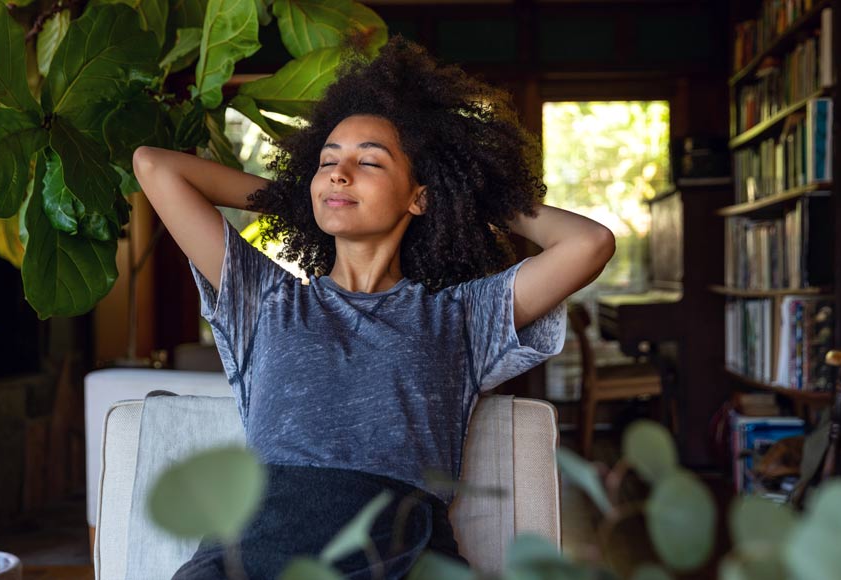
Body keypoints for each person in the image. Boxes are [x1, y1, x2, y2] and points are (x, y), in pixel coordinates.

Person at [133, 35, 614, 580]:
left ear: (419, 196)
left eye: (370, 162)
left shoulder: (461, 317)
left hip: (397, 558)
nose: (340, 173)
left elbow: (589, 244)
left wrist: (473, 195)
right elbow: (154, 167)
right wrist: (298, 198)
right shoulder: (265, 299)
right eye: (327, 162)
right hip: (249, 554)